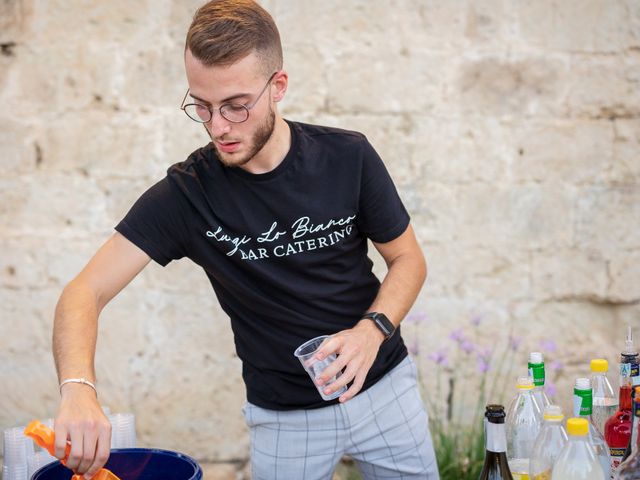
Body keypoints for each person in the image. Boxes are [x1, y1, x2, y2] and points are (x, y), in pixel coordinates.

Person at [52, 1, 439, 478]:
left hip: (385, 390)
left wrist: (371, 331)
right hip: (284, 417)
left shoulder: (348, 156)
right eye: (202, 106)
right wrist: (77, 388)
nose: (218, 126)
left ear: (278, 87)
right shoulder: (186, 195)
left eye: (236, 106)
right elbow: (82, 292)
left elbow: (408, 259)